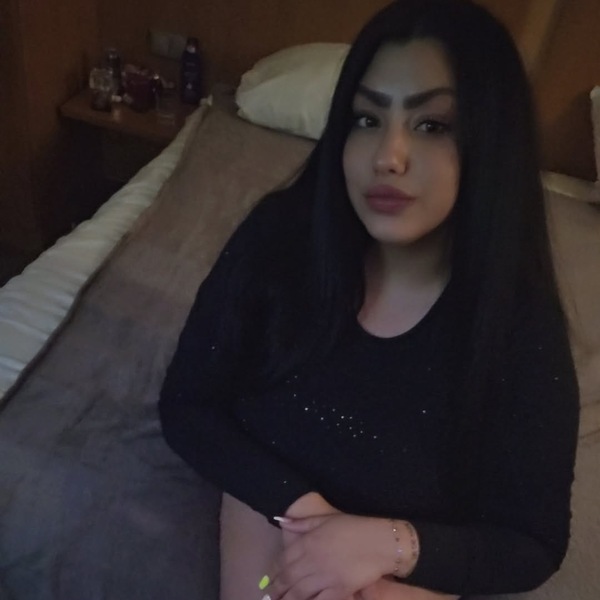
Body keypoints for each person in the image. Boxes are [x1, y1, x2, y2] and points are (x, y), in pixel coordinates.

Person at [159, 1, 580, 599]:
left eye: (432, 125)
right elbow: (188, 405)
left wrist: (387, 545)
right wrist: (309, 518)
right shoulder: (279, 242)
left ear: (491, 143)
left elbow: (531, 542)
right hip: (275, 535)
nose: (388, 156)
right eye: (366, 119)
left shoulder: (516, 327)